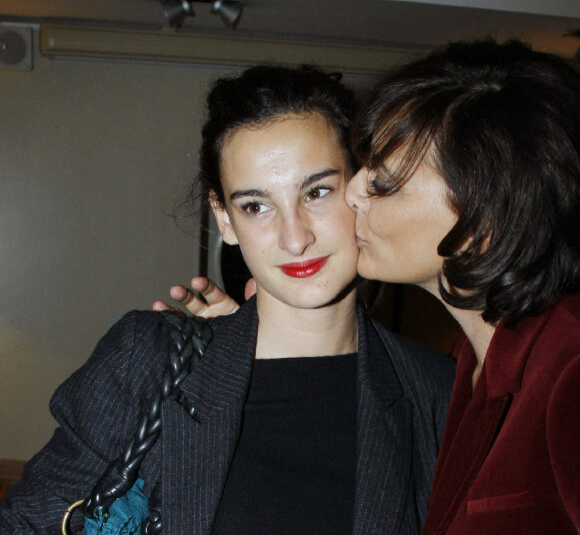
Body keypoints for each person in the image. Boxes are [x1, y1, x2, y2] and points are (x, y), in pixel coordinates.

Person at [0, 65, 454, 534]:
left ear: (361, 189)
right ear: (224, 219)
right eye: (256, 206)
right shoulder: (149, 361)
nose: (294, 238)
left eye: (317, 192)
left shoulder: (437, 391)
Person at [167, 39, 580, 534]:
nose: (354, 191)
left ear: (481, 218)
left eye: (385, 184)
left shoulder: (569, 365)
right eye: (363, 167)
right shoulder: (466, 367)